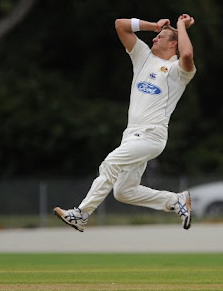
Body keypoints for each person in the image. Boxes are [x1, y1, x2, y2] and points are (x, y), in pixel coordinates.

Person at [54, 14, 196, 232]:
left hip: (151, 135)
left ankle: (81, 214)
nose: (154, 39)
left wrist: (179, 26)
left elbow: (187, 53)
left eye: (160, 37)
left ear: (173, 43)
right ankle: (175, 201)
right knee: (123, 192)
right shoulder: (143, 57)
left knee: (111, 163)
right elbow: (120, 25)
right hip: (131, 135)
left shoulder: (178, 72)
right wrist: (154, 26)